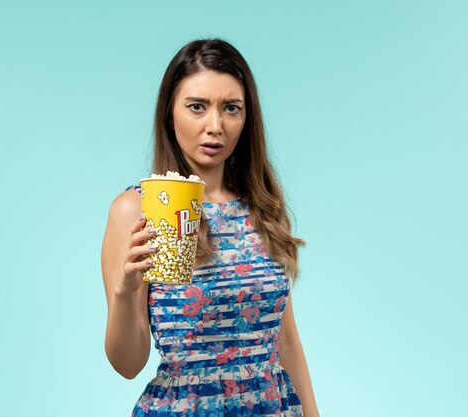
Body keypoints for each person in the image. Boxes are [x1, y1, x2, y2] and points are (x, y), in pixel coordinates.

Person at [102, 38, 320, 417]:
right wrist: (126, 290)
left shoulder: (263, 207)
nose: (214, 126)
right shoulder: (135, 209)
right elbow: (128, 364)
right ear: (170, 112)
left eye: (231, 108)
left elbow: (286, 341)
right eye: (197, 107)